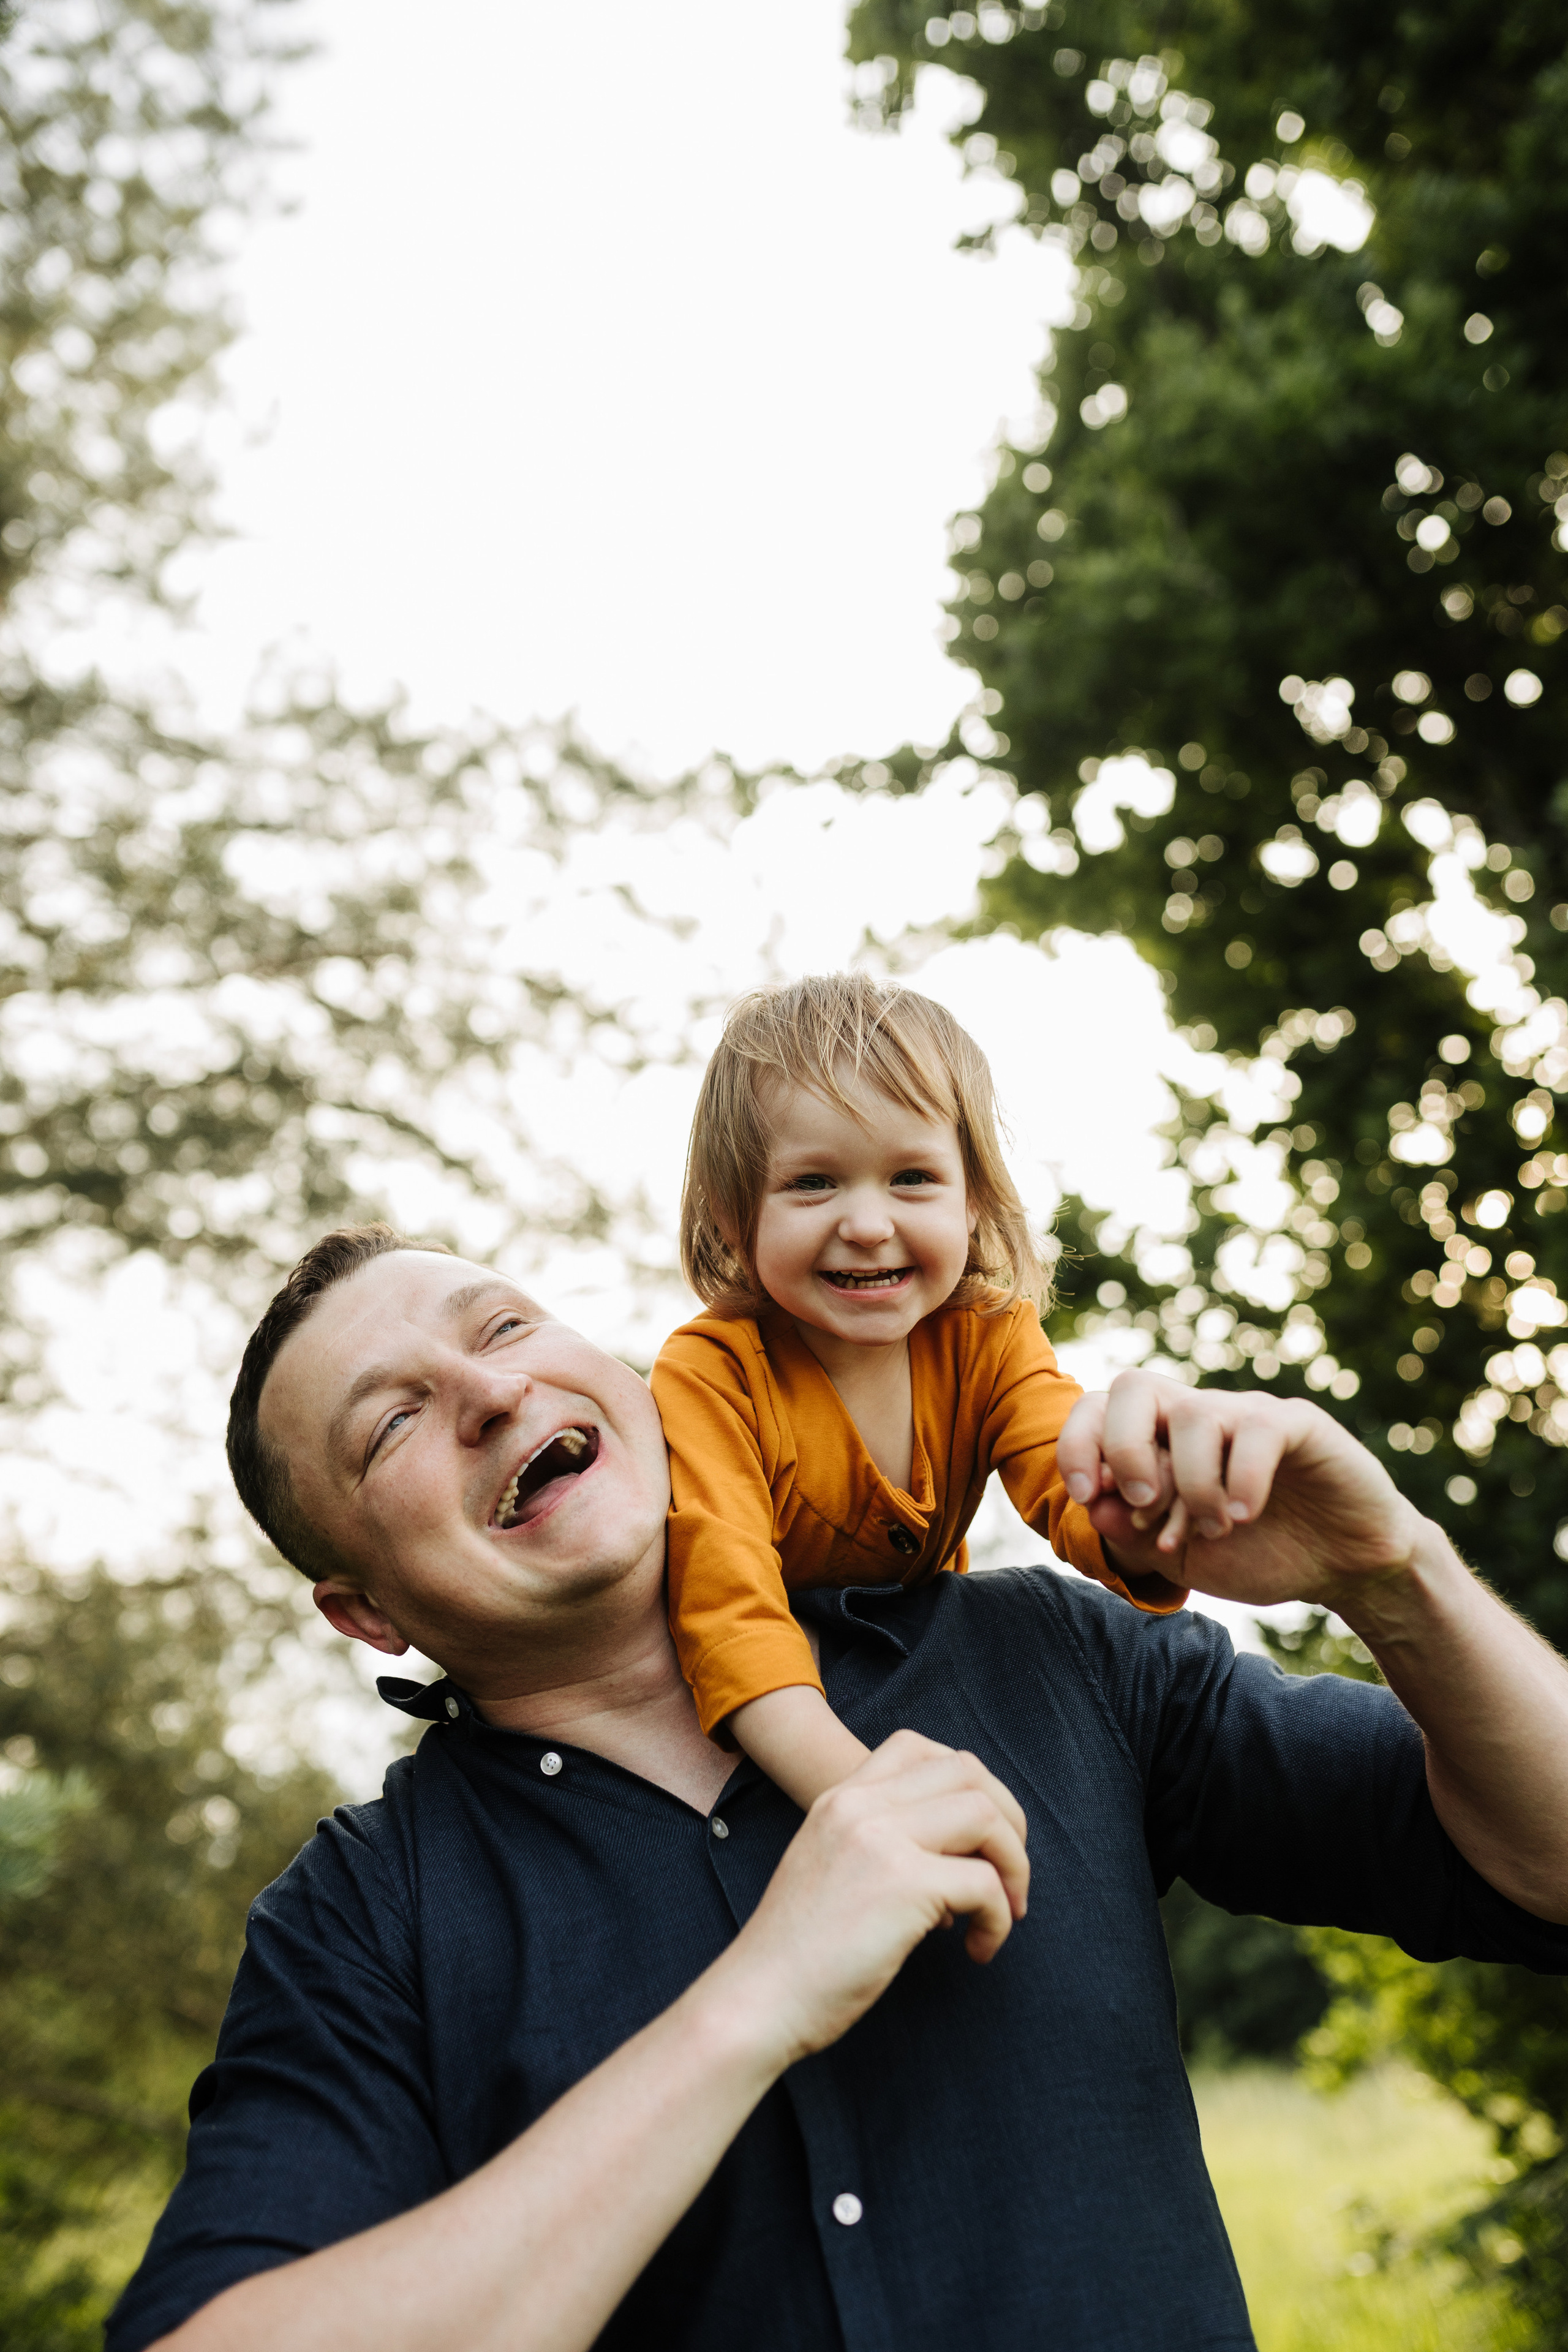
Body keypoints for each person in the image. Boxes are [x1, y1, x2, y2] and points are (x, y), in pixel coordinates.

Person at [109, 1226, 1568, 2352]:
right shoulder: (359, 1919)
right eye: (392, 1425)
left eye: (504, 1328)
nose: (493, 1393)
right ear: (364, 1612)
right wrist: (754, 2001)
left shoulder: (1051, 1653)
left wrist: (1395, 1577)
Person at [651, 973, 1186, 1811]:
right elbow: (727, 1611)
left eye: (912, 1178)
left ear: (972, 1200)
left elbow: (1070, 1477)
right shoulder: (713, 1372)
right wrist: (857, 1797)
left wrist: (1151, 1506)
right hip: (770, 1728)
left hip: (916, 1677)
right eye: (813, 1183)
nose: (867, 1225)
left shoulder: (989, 1339)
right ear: (731, 1214)